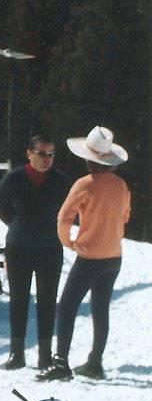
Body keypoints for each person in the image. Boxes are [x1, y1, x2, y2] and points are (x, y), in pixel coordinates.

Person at [39, 126, 131, 382]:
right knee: (100, 309)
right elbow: (125, 216)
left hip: (89, 257)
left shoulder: (85, 184)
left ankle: (61, 363)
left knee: (67, 307)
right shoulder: (121, 185)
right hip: (113, 256)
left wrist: (68, 243)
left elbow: (63, 218)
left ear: (89, 160)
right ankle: (95, 362)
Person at [0, 135, 70, 370]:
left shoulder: (60, 180)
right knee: (18, 299)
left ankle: (45, 356)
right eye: (42, 154)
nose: (47, 159)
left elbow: (69, 210)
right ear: (29, 154)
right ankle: (16, 354)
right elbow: (0, 208)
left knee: (47, 301)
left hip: (50, 248)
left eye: (51, 154)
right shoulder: (14, 178)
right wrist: (20, 226)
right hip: (19, 248)